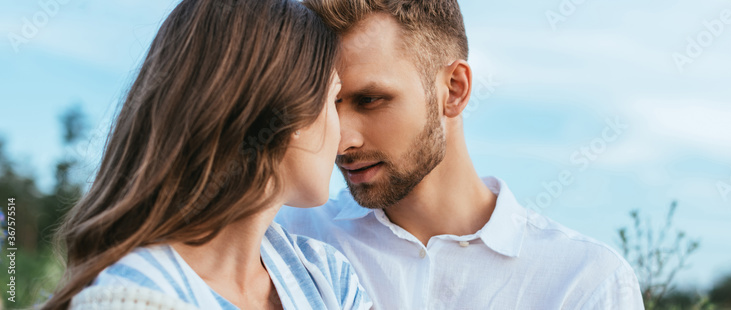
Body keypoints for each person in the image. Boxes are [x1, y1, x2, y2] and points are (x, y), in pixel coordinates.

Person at [276, 0, 643, 308]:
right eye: (325, 105)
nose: (342, 141)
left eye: (370, 100)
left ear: (454, 89)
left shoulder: (585, 282)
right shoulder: (285, 241)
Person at [43, 0, 370, 309]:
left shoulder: (328, 275)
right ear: (290, 113)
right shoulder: (127, 298)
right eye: (334, 99)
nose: (342, 135)